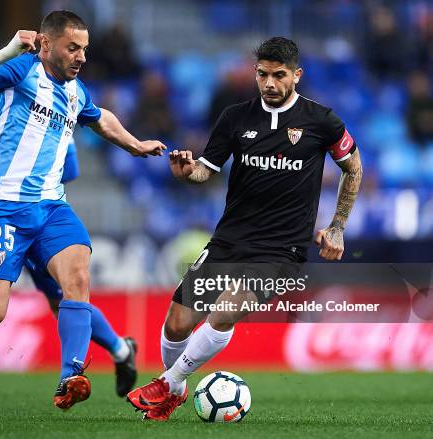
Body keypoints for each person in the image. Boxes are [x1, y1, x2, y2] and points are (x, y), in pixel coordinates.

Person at [127, 37, 363, 421]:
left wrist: (337, 226)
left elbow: (353, 167)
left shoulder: (321, 121)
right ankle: (177, 389)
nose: (269, 83)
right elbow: (207, 169)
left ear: (296, 76)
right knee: (176, 324)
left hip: (281, 250)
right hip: (229, 240)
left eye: (279, 75)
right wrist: (188, 172)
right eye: (262, 74)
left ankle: (166, 383)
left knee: (224, 312)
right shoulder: (235, 117)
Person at [0, 10, 165, 420]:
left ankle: (71, 376)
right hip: (2, 208)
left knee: (77, 277)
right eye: (73, 47)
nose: (81, 56)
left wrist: (135, 145)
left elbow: (101, 120)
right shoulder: (21, 69)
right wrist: (8, 49)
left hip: (50, 207)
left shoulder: (75, 92)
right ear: (46, 45)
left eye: (84, 49)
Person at [0, 142, 137, 402]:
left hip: (38, 215)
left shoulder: (55, 108)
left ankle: (120, 350)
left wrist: (33, 177)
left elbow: (71, 168)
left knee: (63, 300)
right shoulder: (6, 105)